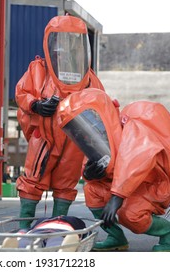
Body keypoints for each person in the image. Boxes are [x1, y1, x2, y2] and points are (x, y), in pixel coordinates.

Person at [57, 88, 170, 252]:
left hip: (154, 184)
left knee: (130, 215)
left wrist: (116, 198)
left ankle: (169, 231)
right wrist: (89, 174)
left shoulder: (133, 129)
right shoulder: (102, 138)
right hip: (127, 187)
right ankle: (116, 237)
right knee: (92, 190)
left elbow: (135, 161)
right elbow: (102, 161)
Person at [15, 15, 106, 229]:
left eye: (73, 42)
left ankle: (57, 227)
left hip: (74, 141)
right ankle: (23, 227)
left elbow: (102, 107)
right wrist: (36, 105)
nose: (66, 49)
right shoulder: (38, 70)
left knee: (66, 182)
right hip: (44, 137)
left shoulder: (90, 79)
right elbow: (22, 93)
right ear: (51, 43)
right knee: (33, 178)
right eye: (61, 42)